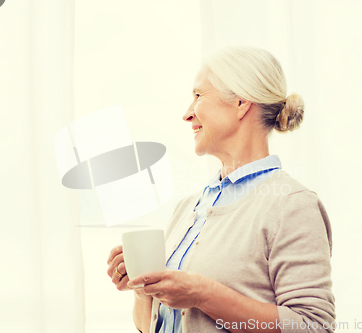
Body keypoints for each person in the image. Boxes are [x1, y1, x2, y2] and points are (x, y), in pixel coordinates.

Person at [107, 46, 335, 333]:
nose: (187, 114)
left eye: (198, 95)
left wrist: (203, 294)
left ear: (241, 103)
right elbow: (153, 326)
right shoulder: (188, 208)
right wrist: (143, 288)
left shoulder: (292, 205)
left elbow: (313, 327)